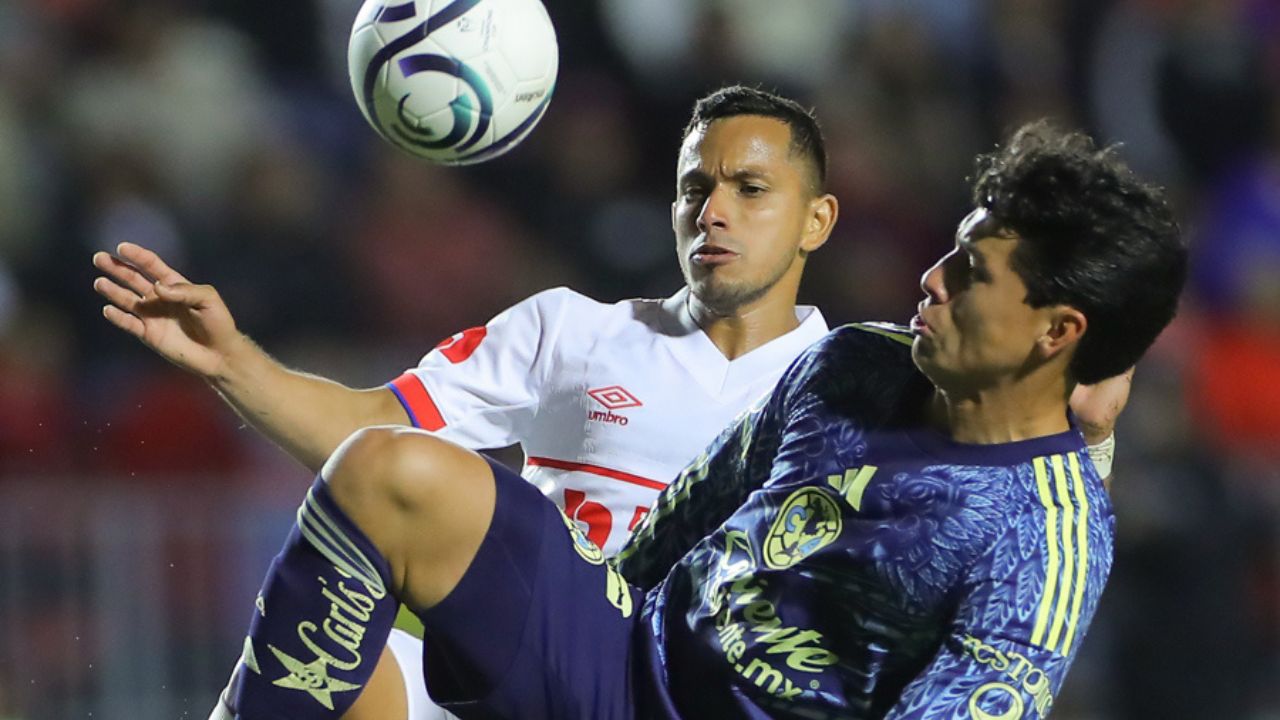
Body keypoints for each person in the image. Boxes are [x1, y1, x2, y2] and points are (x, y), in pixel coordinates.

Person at [200, 120, 1185, 719]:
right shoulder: (854, 364)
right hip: (622, 662)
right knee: (388, 472)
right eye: (948, 252)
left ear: (1056, 331)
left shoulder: (1041, 542)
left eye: (971, 274)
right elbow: (677, 526)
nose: (930, 278)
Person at [93, 85, 840, 720]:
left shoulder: (855, 396)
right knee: (350, 658)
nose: (713, 212)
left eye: (749, 189)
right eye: (694, 189)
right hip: (536, 670)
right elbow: (370, 443)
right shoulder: (574, 331)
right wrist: (232, 361)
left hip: (698, 692)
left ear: (817, 219)